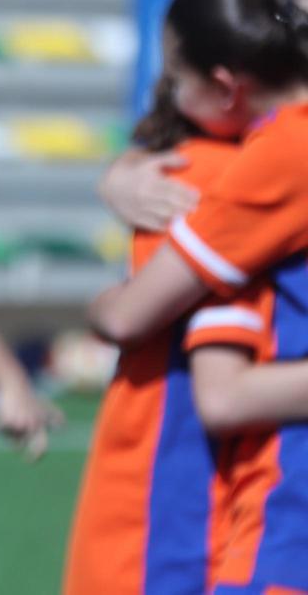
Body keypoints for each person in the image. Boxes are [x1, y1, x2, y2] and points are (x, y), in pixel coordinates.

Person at [89, 0, 308, 593]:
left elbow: (139, 321)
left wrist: (100, 309)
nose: (167, 94)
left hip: (275, 511)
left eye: (174, 79)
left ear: (224, 86)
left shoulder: (267, 159)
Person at [65, 76, 240, 594]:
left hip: (178, 463)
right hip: (184, 461)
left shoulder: (211, 172)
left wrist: (106, 307)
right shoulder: (198, 170)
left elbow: (125, 318)